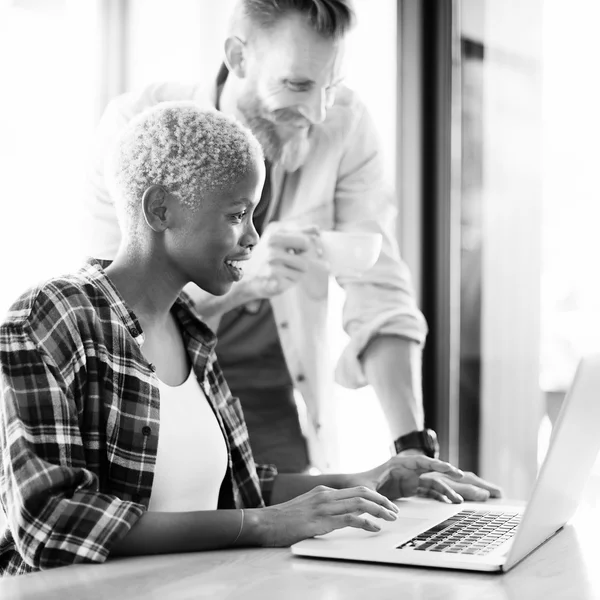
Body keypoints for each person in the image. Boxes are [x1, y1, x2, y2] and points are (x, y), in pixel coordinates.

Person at [0, 102, 465, 577]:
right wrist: (263, 524)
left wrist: (374, 479)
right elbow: (52, 524)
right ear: (161, 210)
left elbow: (237, 489)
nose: (253, 238)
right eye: (237, 215)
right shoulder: (52, 317)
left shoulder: (190, 329)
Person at [85, 0, 501, 500]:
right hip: (158, 404)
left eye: (331, 86)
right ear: (238, 58)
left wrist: (412, 447)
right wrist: (242, 286)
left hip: (268, 404)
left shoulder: (343, 126)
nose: (318, 111)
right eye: (299, 85)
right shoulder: (141, 134)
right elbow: (115, 321)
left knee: (294, 556)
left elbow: (379, 291)